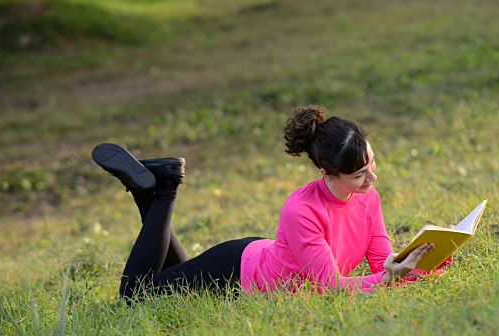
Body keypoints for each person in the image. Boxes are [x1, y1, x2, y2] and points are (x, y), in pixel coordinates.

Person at [92, 105, 449, 305]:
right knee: (135, 296)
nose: (371, 181)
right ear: (327, 173)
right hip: (234, 272)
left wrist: (425, 261)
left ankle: (147, 189)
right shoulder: (302, 209)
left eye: (372, 165)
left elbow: (380, 262)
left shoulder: (368, 198)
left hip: (260, 258)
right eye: (359, 175)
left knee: (170, 279)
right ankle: (166, 187)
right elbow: (329, 286)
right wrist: (388, 279)